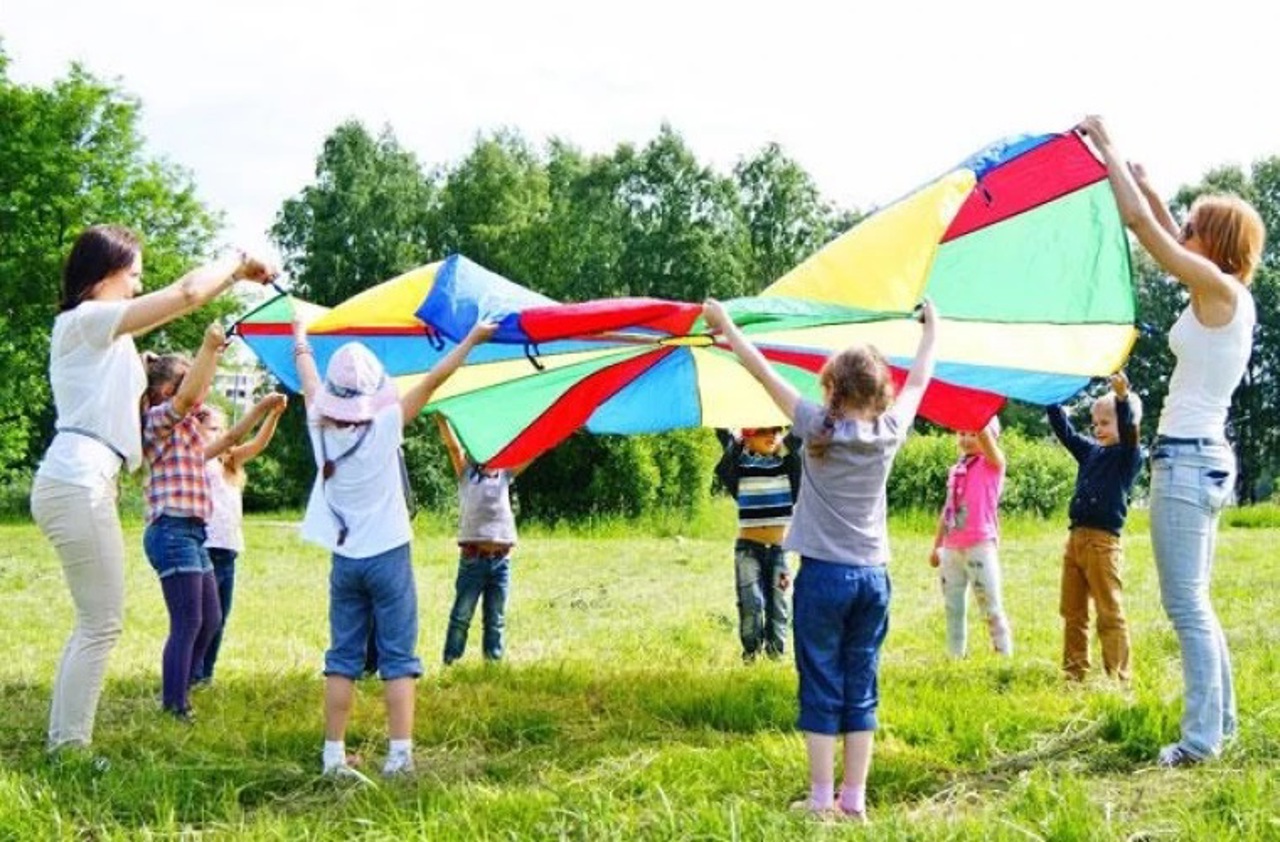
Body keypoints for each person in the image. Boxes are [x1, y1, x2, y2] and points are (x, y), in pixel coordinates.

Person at [30, 224, 274, 752]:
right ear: (105, 273)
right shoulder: (87, 320)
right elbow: (185, 296)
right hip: (79, 476)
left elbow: (168, 337)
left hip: (82, 477)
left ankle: (64, 743)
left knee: (96, 622)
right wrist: (237, 262)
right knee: (101, 623)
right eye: (135, 274)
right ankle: (68, 750)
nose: (139, 287)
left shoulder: (102, 336)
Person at [703, 297, 938, 823]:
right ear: (880, 393)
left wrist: (728, 327)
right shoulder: (890, 431)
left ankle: (819, 798)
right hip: (874, 580)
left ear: (830, 389)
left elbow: (762, 373)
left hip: (825, 579)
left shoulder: (813, 426)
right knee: (862, 682)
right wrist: (931, 331)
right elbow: (921, 378)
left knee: (821, 683)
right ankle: (852, 800)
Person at [1077, 116, 1266, 766]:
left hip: (1187, 462)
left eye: (1191, 226)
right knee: (1198, 601)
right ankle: (1224, 725)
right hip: (1202, 461)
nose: (1179, 229)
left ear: (1211, 243)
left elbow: (1148, 236)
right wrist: (1148, 186)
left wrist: (1106, 147)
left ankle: (1199, 742)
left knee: (1185, 605)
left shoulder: (1218, 292)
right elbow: (1163, 227)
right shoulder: (1224, 297)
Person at [293, 318, 495, 778]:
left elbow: (305, 370)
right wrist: (471, 337)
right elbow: (435, 378)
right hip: (388, 557)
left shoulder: (316, 422)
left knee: (341, 659)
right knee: (399, 659)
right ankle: (399, 757)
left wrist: (300, 334)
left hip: (344, 561)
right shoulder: (385, 424)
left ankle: (332, 757)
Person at [140, 325, 232, 721]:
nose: (200, 396)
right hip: (170, 531)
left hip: (193, 533)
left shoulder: (189, 431)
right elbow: (190, 394)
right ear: (165, 391)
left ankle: (182, 687)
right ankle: (174, 705)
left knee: (209, 619)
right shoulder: (158, 419)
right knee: (188, 620)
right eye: (186, 382)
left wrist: (211, 358)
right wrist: (208, 347)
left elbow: (197, 391)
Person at [1047, 372, 1143, 682]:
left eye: (1106, 423)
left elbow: (1129, 432)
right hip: (1075, 541)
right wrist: (1051, 400)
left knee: (1108, 612)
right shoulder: (1091, 452)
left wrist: (1122, 399)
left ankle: (1119, 678)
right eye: (1095, 424)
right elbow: (1067, 433)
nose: (1098, 429)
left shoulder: (1128, 456)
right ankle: (1074, 674)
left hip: (1103, 545)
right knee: (1072, 612)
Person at [191, 394, 289, 685]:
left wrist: (273, 416)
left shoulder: (230, 463)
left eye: (222, 429)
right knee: (203, 618)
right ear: (195, 430)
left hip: (228, 551)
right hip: (206, 548)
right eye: (213, 429)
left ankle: (206, 673)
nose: (221, 435)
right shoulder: (200, 460)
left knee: (219, 619)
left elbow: (258, 444)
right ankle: (193, 671)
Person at [437, 416, 532, 665]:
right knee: (462, 615)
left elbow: (533, 451)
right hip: (473, 559)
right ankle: (451, 659)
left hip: (501, 561)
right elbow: (453, 446)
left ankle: (493, 660)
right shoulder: (466, 472)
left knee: (495, 617)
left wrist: (554, 432)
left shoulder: (504, 472)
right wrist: (441, 416)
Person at [714, 426, 802, 662]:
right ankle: (751, 652)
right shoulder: (740, 465)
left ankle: (776, 654)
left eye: (776, 430)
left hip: (779, 551)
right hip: (748, 549)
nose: (772, 435)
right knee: (750, 602)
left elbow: (800, 433)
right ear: (748, 437)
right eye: (764, 431)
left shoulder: (787, 463)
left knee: (780, 603)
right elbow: (723, 431)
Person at [929, 417, 1011, 658]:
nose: (966, 439)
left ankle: (1003, 656)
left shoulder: (993, 465)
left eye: (973, 434)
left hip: (979, 546)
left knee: (990, 605)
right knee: (953, 606)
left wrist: (975, 412)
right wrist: (936, 547)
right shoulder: (956, 470)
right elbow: (947, 510)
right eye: (962, 433)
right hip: (951, 548)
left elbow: (986, 436)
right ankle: (955, 655)